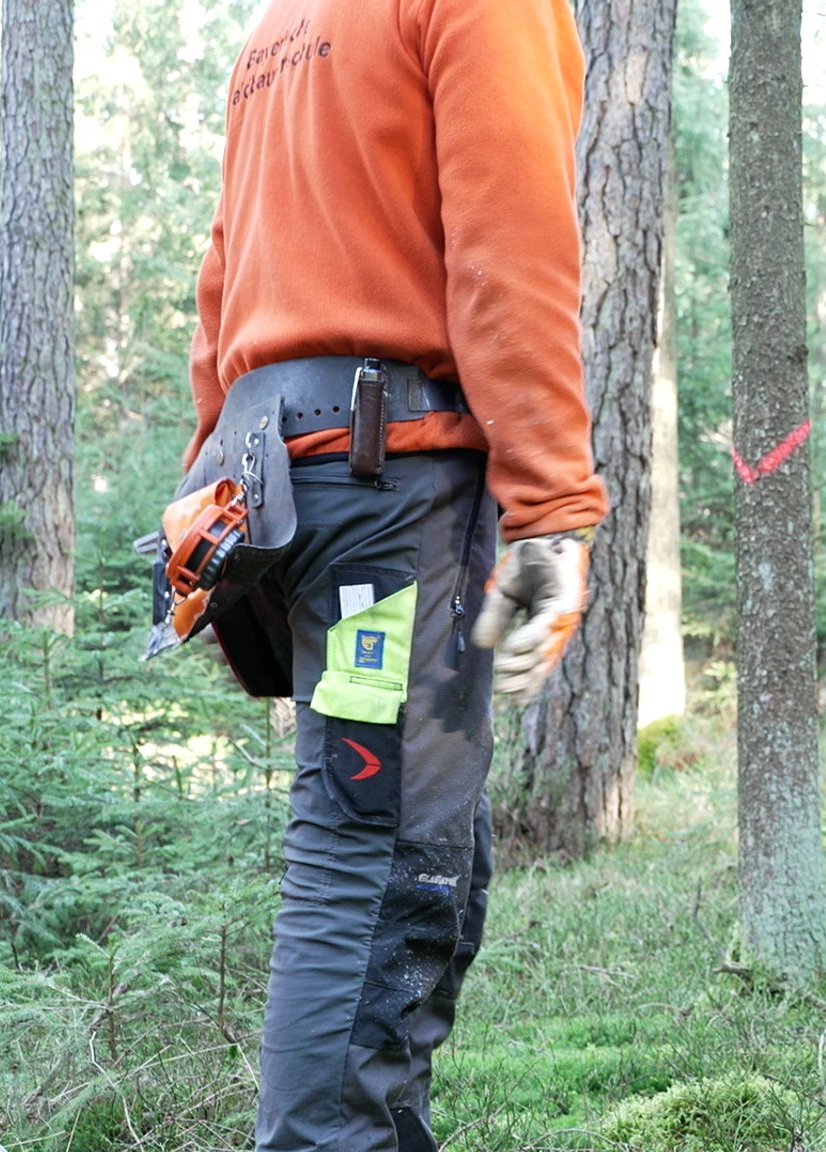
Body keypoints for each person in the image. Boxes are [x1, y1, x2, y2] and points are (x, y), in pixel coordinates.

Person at [181, 1, 605, 1149]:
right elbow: (509, 249)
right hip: (387, 490)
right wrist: (555, 508)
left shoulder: (285, 21)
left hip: (287, 481)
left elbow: (222, 280)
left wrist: (214, 475)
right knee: (377, 858)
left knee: (411, 845)